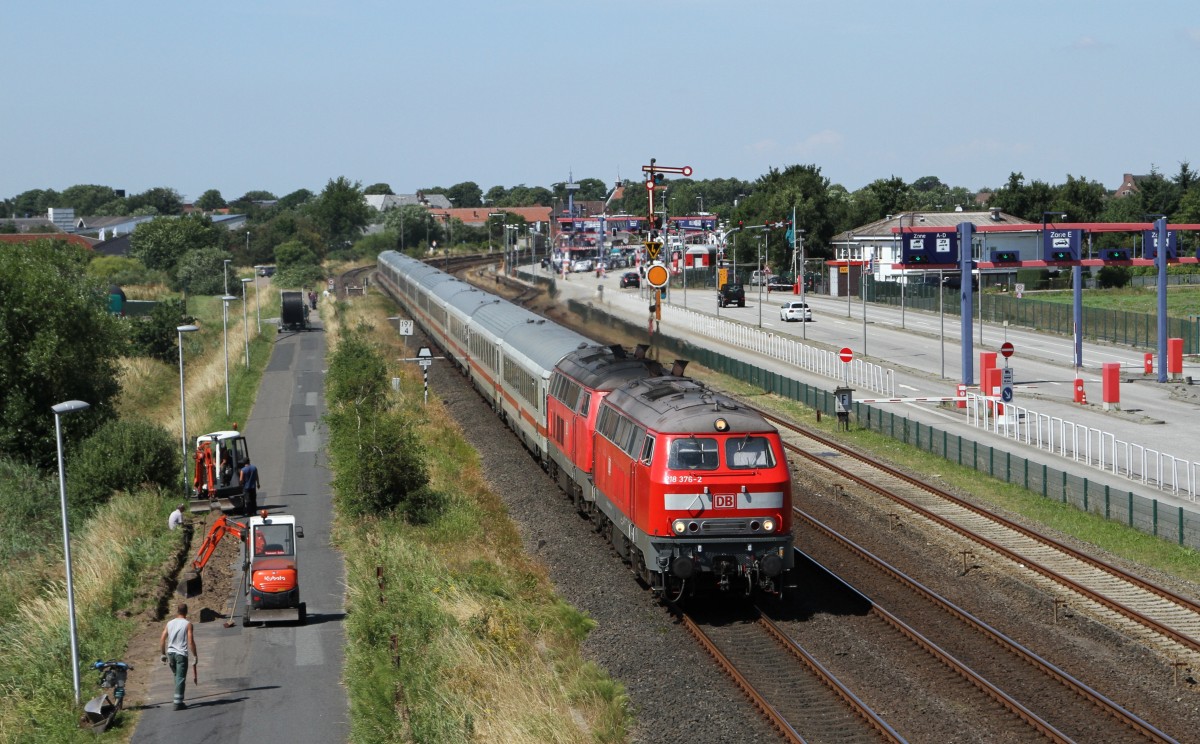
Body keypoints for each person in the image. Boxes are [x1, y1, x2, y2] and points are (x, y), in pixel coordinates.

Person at [159, 603, 197, 711]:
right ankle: (177, 703)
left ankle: (178, 699)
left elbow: (162, 639)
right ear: (186, 612)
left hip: (171, 654)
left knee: (176, 676)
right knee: (180, 678)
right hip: (181, 655)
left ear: (177, 611)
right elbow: (190, 641)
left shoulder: (169, 623)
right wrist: (195, 655)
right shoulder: (188, 624)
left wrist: (163, 654)